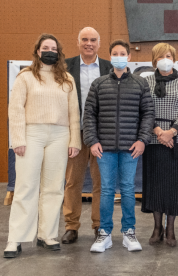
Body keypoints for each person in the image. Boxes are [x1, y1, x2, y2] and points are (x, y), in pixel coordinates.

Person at [4, 33, 81, 258]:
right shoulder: (25, 77)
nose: (50, 51)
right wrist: (17, 139)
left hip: (60, 135)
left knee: (54, 187)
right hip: (32, 134)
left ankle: (46, 234)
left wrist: (74, 140)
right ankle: (15, 238)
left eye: (54, 48)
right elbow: (15, 109)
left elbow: (73, 113)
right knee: (26, 186)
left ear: (59, 53)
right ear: (38, 51)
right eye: (45, 47)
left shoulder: (67, 79)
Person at [83, 39, 155, 253]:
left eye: (123, 53)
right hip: (103, 149)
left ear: (129, 57)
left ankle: (129, 232)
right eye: (115, 53)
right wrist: (92, 141)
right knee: (106, 190)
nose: (119, 56)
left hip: (130, 148)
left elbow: (148, 114)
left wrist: (142, 140)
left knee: (128, 189)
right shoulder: (99, 84)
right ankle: (104, 234)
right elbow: (89, 115)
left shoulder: (141, 84)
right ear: (110, 56)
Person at [62, 27, 113, 244]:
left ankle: (99, 226)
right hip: (75, 132)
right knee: (73, 181)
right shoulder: (65, 67)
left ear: (99, 44)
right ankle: (71, 226)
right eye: (85, 39)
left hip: (101, 135)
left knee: (100, 182)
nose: (89, 43)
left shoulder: (109, 68)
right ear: (78, 42)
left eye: (93, 39)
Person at [141, 43, 178, 247]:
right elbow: (143, 109)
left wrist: (171, 132)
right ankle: (157, 227)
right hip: (153, 139)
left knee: (174, 185)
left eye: (169, 55)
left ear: (174, 59)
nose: (165, 59)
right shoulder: (145, 82)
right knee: (155, 184)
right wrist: (158, 131)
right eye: (161, 56)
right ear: (154, 60)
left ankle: (170, 228)